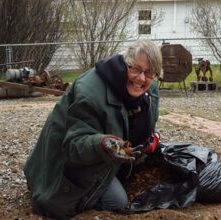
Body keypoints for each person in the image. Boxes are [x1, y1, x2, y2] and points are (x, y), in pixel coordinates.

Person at [23, 40, 163, 220]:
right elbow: (75, 145)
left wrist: (152, 138)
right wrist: (102, 144)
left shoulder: (149, 92)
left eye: (150, 73)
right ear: (124, 63)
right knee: (117, 201)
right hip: (65, 160)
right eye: (135, 69)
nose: (142, 78)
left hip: (102, 153)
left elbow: (145, 127)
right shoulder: (90, 92)